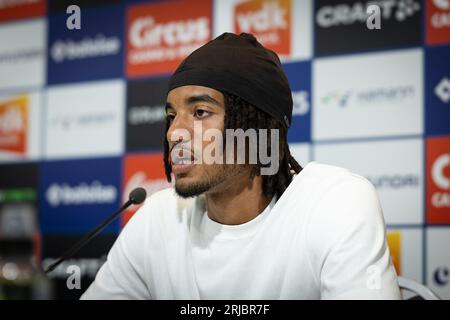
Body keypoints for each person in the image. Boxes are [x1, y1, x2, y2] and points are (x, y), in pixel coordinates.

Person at [81, 33, 401, 300]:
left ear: (256, 129)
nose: (174, 132)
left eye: (201, 112)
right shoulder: (157, 217)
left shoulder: (335, 203)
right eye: (171, 115)